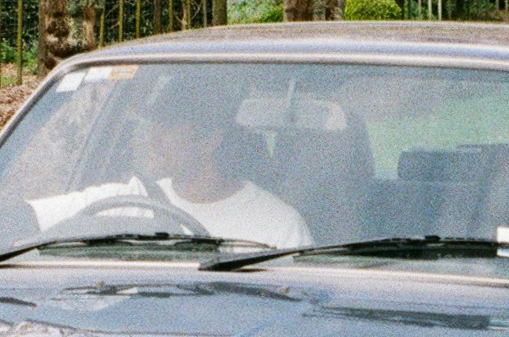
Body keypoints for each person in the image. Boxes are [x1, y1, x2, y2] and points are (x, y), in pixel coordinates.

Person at [25, 79, 310, 249]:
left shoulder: (279, 227)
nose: (152, 138)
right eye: (153, 125)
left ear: (210, 141)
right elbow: (10, 221)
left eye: (169, 128)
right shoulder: (128, 200)